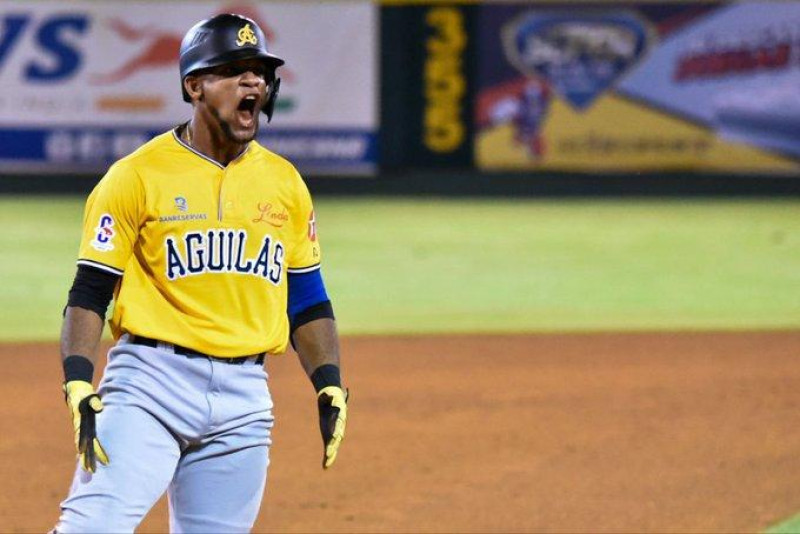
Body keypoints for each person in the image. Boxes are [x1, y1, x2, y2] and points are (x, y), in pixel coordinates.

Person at [53, 13, 348, 533]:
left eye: (259, 70)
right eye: (234, 69)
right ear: (195, 85)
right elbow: (90, 291)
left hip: (245, 398)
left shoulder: (285, 183)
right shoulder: (135, 175)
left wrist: (329, 382)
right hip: (149, 386)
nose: (253, 81)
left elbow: (307, 298)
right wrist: (78, 379)